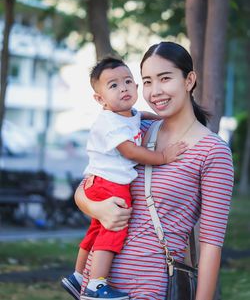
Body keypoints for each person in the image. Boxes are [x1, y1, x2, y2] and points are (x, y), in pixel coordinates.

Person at [74, 42, 234, 300]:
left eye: (165, 78)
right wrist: (95, 208)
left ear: (189, 80)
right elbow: (89, 184)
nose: (155, 91)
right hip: (97, 285)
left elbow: (211, 245)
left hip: (148, 288)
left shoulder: (212, 151)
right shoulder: (135, 129)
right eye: (147, 81)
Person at [61, 56, 187, 300]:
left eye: (128, 81)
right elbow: (129, 151)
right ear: (100, 99)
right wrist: (162, 156)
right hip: (111, 185)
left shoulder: (127, 114)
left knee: (97, 229)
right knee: (114, 230)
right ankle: (96, 285)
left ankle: (78, 276)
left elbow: (142, 116)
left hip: (99, 182)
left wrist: (160, 118)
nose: (124, 88)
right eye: (114, 85)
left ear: (136, 87)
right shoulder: (110, 123)